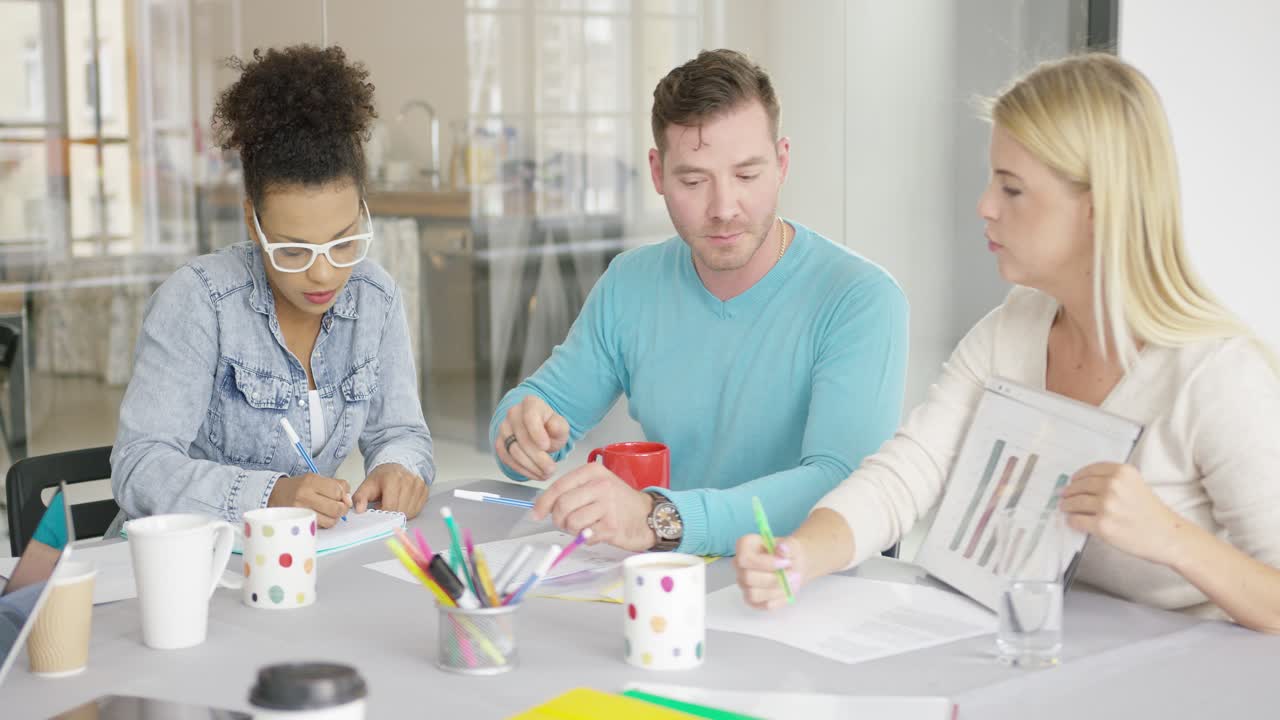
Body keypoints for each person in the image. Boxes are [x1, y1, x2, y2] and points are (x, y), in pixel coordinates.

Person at [734, 54, 1280, 632]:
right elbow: (908, 473)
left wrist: (1170, 538)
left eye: (1012, 189)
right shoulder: (1014, 327)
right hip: (1045, 658)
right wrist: (802, 556)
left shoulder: (1215, 376)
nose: (985, 207)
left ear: (1097, 207)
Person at [491, 49, 909, 556]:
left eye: (747, 176)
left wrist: (658, 517)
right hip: (681, 579)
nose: (724, 208)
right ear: (657, 173)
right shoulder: (632, 282)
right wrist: (521, 430)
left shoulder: (860, 299)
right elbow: (544, 405)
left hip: (810, 585)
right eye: (693, 181)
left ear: (782, 163)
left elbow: (843, 485)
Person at [111, 45, 433, 530]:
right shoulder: (200, 302)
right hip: (194, 563)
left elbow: (402, 432)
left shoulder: (376, 297)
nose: (323, 274)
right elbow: (139, 467)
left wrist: (399, 468)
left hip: (300, 566)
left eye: (344, 242)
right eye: (293, 250)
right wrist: (269, 495)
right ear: (252, 221)